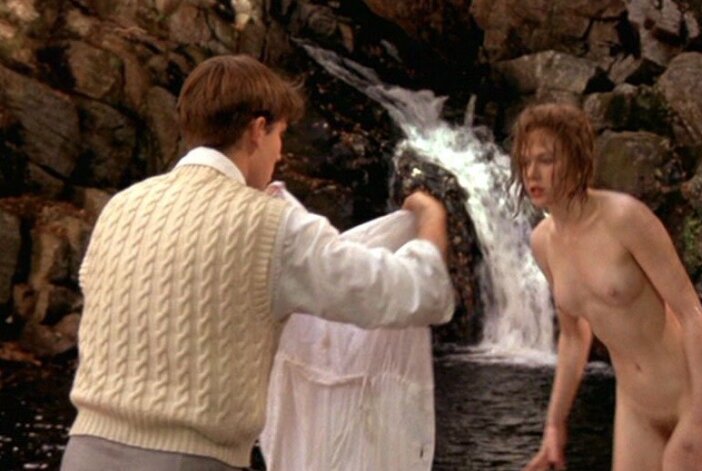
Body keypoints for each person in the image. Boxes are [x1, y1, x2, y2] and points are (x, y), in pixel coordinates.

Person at [61, 54, 454, 471]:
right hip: (188, 461)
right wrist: (430, 217)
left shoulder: (121, 207)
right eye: (280, 135)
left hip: (83, 453)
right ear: (257, 129)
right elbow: (418, 292)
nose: (280, 154)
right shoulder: (271, 225)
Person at [513, 103, 702, 471]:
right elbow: (573, 337)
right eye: (525, 162)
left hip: (694, 392)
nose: (531, 173)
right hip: (636, 406)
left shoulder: (625, 218)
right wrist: (554, 425)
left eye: (546, 160)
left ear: (577, 160)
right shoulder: (542, 242)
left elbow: (691, 314)